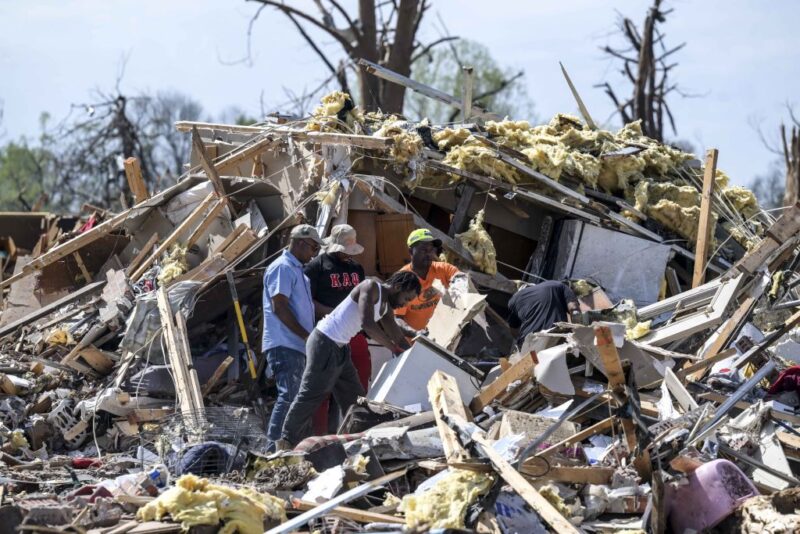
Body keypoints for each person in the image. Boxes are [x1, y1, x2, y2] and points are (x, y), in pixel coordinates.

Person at [279, 271, 422, 448]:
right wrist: (392, 348)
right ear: (398, 287)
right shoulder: (371, 287)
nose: (404, 304)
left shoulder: (385, 308)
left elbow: (398, 337)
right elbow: (367, 324)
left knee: (355, 399)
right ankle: (285, 442)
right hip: (324, 340)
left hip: (340, 347)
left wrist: (415, 357)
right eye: (406, 298)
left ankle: (359, 444)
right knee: (311, 394)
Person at [261, 224, 324, 450]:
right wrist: (306, 337)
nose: (314, 253)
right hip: (285, 343)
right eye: (313, 248)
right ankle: (271, 451)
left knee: (295, 397)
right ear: (299, 243)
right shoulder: (283, 267)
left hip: (296, 344)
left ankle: (287, 446)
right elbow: (280, 307)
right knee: (288, 395)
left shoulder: (298, 271)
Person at [303, 224, 369, 433]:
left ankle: (355, 432)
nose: (347, 255)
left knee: (358, 385)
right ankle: (319, 437)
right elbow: (307, 302)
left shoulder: (356, 269)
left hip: (354, 334)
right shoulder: (317, 267)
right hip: (327, 335)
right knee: (322, 389)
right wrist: (333, 315)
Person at [394, 228, 466, 337]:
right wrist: (415, 333)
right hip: (412, 344)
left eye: (432, 249)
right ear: (410, 251)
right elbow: (396, 318)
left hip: (442, 339)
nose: (429, 254)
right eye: (423, 250)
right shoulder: (402, 281)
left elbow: (460, 277)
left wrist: (459, 285)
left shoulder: (442, 269)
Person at [507, 280, 580, 348]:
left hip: (528, 344)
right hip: (554, 337)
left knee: (535, 360)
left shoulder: (514, 299)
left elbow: (513, 329)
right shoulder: (557, 285)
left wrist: (521, 343)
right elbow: (573, 309)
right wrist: (579, 333)